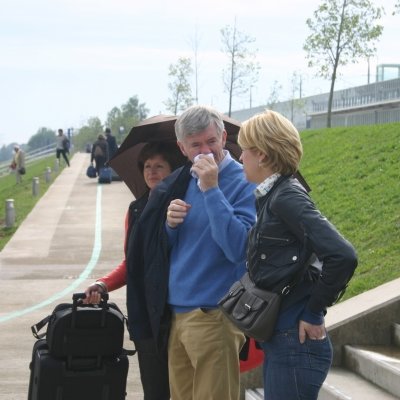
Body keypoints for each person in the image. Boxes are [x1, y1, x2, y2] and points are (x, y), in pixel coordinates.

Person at [126, 105, 257, 400]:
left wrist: (212, 190)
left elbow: (239, 248)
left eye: (211, 141)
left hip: (214, 314)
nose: (205, 151)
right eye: (196, 145)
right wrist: (170, 227)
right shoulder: (180, 181)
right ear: (182, 148)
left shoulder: (244, 181)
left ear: (223, 138)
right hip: (176, 314)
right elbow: (166, 251)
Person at [237, 109, 358, 400]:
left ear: (262, 154)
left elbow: (342, 255)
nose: (240, 158)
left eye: (244, 150)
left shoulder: (286, 196)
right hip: (285, 340)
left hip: (295, 343)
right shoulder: (273, 195)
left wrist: (313, 311)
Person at [84, 142, 185, 400]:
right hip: (145, 314)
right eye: (147, 166)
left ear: (173, 170)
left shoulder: (182, 206)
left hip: (178, 312)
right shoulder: (136, 209)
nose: (152, 171)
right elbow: (132, 263)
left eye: (159, 166)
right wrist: (103, 284)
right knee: (155, 390)